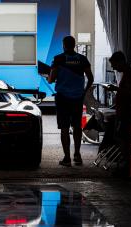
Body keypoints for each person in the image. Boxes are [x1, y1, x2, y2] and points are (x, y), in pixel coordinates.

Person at [48, 36, 94, 167]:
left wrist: (49, 76)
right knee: (77, 126)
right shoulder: (82, 59)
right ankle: (77, 156)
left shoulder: (58, 59)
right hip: (77, 98)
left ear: (63, 45)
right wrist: (84, 91)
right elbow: (90, 78)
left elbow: (51, 79)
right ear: (74, 45)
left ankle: (67, 158)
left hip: (62, 98)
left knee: (64, 127)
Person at [107, 52, 131, 175]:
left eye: (114, 64)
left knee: (123, 138)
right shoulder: (128, 74)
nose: (113, 67)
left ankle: (126, 164)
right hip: (124, 111)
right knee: (122, 138)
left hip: (126, 113)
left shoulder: (130, 74)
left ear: (121, 61)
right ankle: (126, 163)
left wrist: (116, 89)